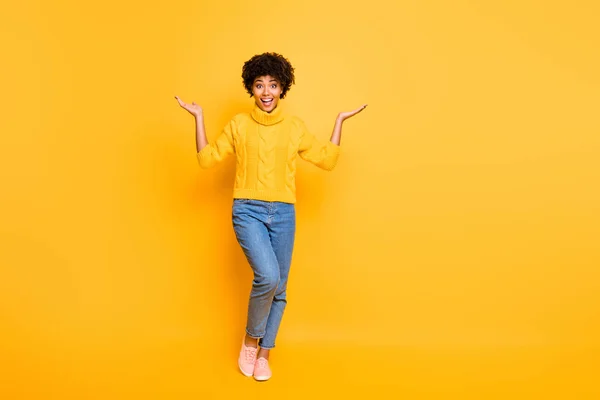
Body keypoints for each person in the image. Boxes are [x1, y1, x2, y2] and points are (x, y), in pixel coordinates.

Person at [175, 52, 366, 381]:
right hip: (247, 209)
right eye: (259, 85)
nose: (266, 92)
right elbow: (207, 160)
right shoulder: (238, 124)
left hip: (284, 212)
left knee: (280, 288)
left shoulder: (294, 128)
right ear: (251, 87)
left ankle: (265, 353)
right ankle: (250, 340)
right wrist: (198, 118)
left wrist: (339, 122)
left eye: (273, 85)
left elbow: (326, 159)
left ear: (282, 89)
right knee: (267, 276)